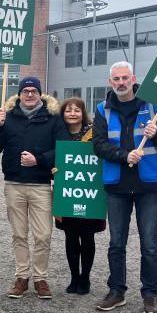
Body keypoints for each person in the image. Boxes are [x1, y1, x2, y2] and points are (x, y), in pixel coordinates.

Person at [92, 61, 157, 313]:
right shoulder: (102, 109)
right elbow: (97, 144)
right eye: (115, 79)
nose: (120, 83)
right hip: (117, 184)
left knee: (150, 243)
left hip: (148, 184)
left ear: (133, 79)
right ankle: (116, 291)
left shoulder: (154, 105)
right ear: (110, 82)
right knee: (116, 243)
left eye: (124, 78)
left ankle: (150, 294)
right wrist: (123, 155)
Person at [0, 76, 69, 300]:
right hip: (14, 183)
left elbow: (62, 150)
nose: (30, 95)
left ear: (40, 94)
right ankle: (22, 277)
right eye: (26, 91)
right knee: (19, 234)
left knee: (43, 235)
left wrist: (39, 160)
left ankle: (41, 278)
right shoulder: (10, 116)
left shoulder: (53, 118)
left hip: (40, 184)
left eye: (34, 91)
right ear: (20, 94)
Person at [53, 97, 104, 295]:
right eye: (68, 110)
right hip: (67, 192)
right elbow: (51, 155)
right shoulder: (58, 134)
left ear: (83, 113)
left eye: (77, 110)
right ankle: (74, 276)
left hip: (89, 193)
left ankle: (86, 278)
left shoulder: (94, 134)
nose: (73, 113)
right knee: (71, 237)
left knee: (88, 236)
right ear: (62, 114)